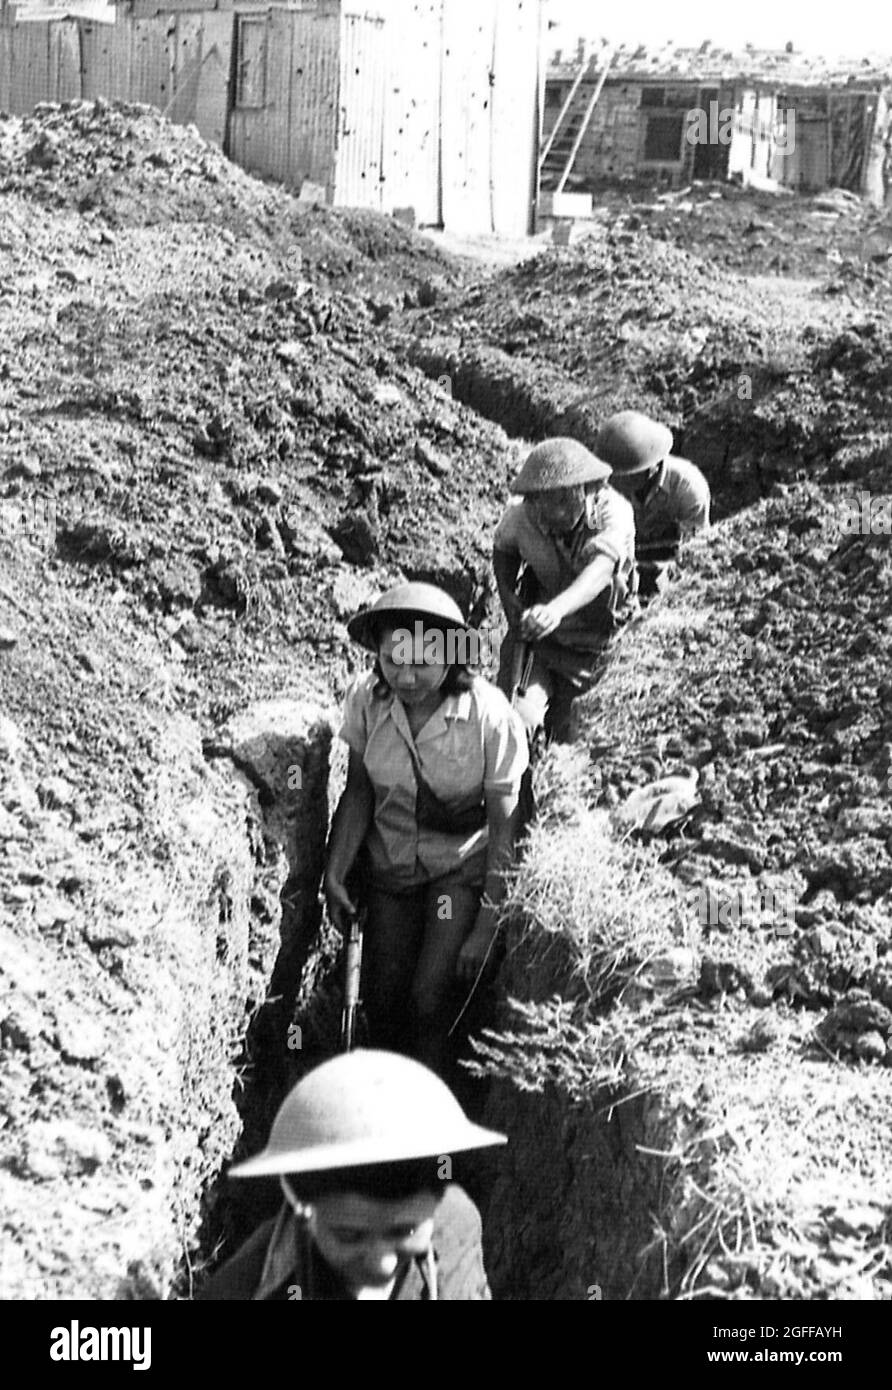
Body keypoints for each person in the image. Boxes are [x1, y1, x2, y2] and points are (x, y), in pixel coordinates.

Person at [324, 582, 528, 1076]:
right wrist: (334, 873)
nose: (406, 675)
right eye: (393, 660)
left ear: (452, 656)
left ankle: (433, 1122)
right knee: (384, 996)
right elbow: (358, 792)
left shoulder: (489, 716)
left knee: (427, 998)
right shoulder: (367, 702)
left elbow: (505, 828)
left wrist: (486, 926)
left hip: (453, 875)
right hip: (391, 870)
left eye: (421, 661)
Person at [197, 1050, 506, 1300]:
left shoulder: (454, 1224)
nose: (381, 1262)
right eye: (349, 1236)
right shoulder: (239, 1290)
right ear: (303, 1212)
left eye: (404, 1231)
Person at [492, 436, 636, 742]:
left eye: (561, 500)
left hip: (599, 647)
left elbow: (600, 570)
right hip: (542, 643)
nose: (550, 514)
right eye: (541, 502)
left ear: (584, 490)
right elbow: (503, 548)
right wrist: (507, 595)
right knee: (514, 722)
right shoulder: (521, 516)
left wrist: (556, 610)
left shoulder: (613, 513)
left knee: (576, 737)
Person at [595, 411, 710, 597]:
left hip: (668, 566)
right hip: (625, 560)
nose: (615, 482)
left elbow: (695, 551)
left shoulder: (687, 487)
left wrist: (663, 572)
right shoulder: (606, 484)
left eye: (626, 475)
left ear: (651, 468)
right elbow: (594, 526)